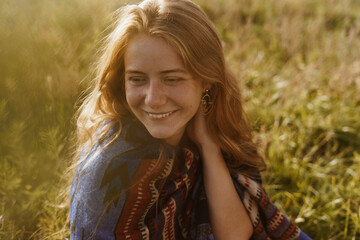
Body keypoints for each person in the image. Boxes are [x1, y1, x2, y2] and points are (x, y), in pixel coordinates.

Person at [70, 0, 311, 239]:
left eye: (172, 79)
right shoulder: (112, 163)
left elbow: (236, 234)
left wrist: (209, 148)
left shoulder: (209, 130)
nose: (153, 99)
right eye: (137, 79)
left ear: (206, 79)